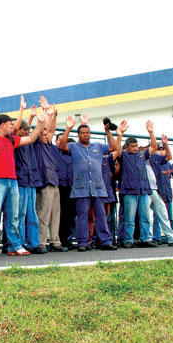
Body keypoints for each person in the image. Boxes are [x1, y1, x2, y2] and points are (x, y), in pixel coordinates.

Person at [0, 106, 46, 256]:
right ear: (2, 124)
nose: (12, 127)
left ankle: (14, 245)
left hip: (12, 181)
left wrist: (40, 123)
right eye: (10, 124)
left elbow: (30, 138)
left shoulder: (11, 139)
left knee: (13, 215)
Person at [58, 114, 120, 252]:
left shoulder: (97, 146)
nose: (85, 135)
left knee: (101, 215)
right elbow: (62, 146)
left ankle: (105, 241)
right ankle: (82, 242)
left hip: (97, 186)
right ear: (78, 135)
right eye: (83, 133)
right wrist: (68, 128)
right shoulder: (74, 147)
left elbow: (113, 147)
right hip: (81, 187)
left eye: (87, 133)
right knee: (82, 215)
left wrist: (108, 131)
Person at [33, 101, 69, 252]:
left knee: (56, 214)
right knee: (44, 214)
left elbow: (51, 128)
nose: (46, 134)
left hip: (55, 182)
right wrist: (46, 113)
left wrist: (54, 115)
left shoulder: (49, 145)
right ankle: (41, 243)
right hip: (44, 183)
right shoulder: (36, 144)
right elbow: (42, 128)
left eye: (46, 133)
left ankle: (55, 241)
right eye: (43, 133)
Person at [116, 121, 158, 248]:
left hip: (143, 190)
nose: (136, 148)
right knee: (129, 218)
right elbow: (117, 150)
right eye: (133, 146)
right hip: (129, 191)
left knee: (145, 216)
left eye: (136, 146)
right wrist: (120, 135)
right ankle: (128, 239)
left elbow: (154, 147)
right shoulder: (123, 155)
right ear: (127, 147)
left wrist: (151, 132)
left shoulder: (141, 154)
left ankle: (146, 238)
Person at [13, 98, 44, 253]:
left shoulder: (30, 143)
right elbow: (17, 129)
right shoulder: (14, 143)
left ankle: (34, 243)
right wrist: (27, 114)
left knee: (32, 214)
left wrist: (38, 116)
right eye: (24, 130)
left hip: (31, 182)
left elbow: (38, 131)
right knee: (20, 214)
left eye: (28, 130)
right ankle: (19, 243)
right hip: (20, 181)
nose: (27, 132)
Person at [147, 137, 173, 246]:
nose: (160, 150)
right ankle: (150, 238)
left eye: (161, 148)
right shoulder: (141, 157)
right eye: (158, 148)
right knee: (147, 217)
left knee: (164, 215)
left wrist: (165, 144)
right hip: (145, 190)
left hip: (157, 191)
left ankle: (172, 238)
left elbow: (169, 157)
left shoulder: (157, 159)